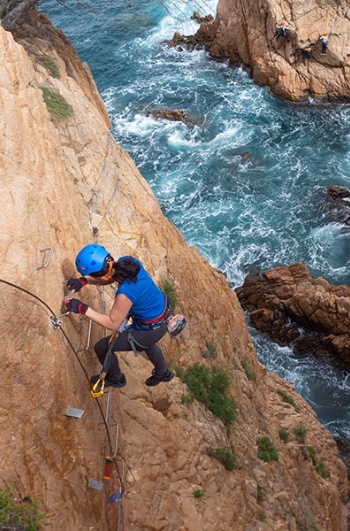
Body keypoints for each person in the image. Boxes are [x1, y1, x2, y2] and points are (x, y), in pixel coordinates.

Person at [65, 244, 174, 388]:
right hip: (161, 313)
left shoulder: (125, 294)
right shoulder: (128, 262)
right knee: (147, 344)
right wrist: (84, 281)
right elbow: (111, 277)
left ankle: (116, 378)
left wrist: (82, 308)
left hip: (149, 329)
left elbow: (112, 323)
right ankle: (163, 372)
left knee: (102, 347)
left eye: (91, 275)